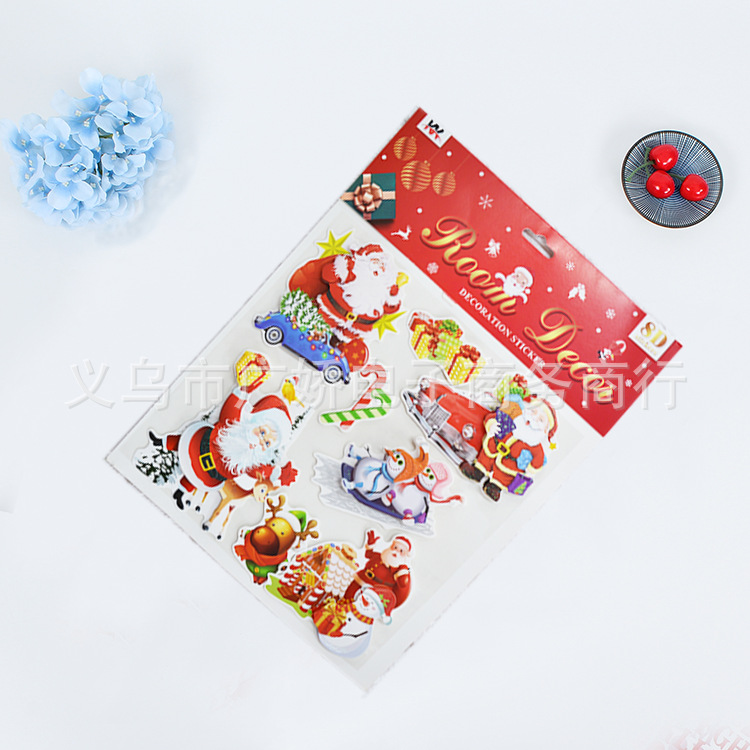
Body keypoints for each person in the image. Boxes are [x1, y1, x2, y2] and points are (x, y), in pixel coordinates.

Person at [150, 388, 293, 510]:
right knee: (181, 442)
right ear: (255, 421)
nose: (261, 441)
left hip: (212, 474)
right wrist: (242, 392)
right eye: (262, 432)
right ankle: (161, 442)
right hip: (199, 446)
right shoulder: (233, 427)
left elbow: (257, 472)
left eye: (267, 443)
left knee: (194, 479)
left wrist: (274, 473)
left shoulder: (250, 460)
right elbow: (231, 408)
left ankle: (180, 493)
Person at [344, 531, 412, 615]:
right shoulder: (380, 556)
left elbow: (403, 583)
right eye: (395, 547)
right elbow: (368, 554)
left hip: (375, 592)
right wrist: (370, 544)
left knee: (362, 609)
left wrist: (404, 570)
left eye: (401, 551)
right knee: (348, 596)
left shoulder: (397, 570)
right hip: (361, 579)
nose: (396, 552)